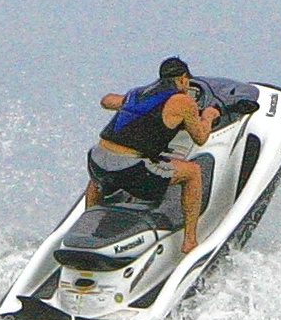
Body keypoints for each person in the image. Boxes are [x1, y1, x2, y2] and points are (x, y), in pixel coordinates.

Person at [86, 56, 221, 252]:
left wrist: (125, 105)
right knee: (192, 172)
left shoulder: (136, 94)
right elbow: (200, 137)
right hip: (131, 172)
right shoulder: (183, 101)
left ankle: (88, 225)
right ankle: (190, 241)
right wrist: (208, 116)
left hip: (96, 162)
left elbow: (107, 101)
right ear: (183, 79)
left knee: (98, 178)